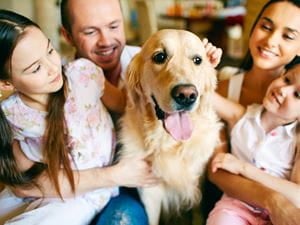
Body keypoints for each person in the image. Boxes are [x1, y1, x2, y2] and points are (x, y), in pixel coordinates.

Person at [0, 9, 158, 225]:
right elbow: (25, 185)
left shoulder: (83, 75)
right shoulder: (13, 116)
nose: (52, 67)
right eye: (35, 68)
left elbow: (127, 106)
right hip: (48, 193)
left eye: (49, 50)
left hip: (85, 197)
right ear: (6, 83)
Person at [208, 1, 300, 224]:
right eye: (266, 27)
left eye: (288, 36)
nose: (270, 41)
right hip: (235, 207)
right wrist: (202, 64)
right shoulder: (229, 94)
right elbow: (215, 169)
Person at [59, 0, 149, 224]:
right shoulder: (56, 81)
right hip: (80, 188)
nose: (106, 41)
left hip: (139, 188)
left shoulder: (152, 64)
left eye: (114, 26)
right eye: (90, 31)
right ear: (67, 36)